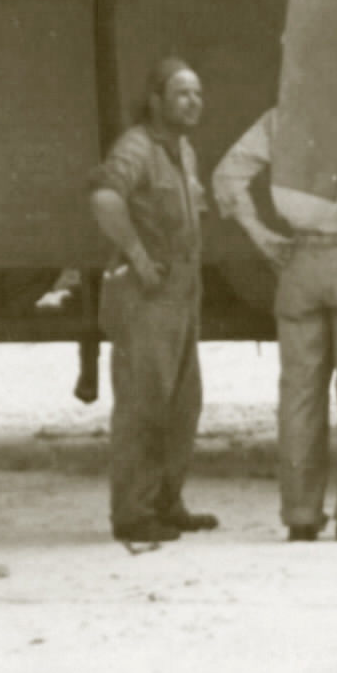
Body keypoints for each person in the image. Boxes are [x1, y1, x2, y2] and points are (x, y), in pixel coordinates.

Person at [214, 102, 337, 544]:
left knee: (299, 392)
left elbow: (227, 175)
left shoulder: (280, 119)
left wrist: (260, 233)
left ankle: (300, 515)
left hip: (299, 260)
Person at [89, 58, 217, 546]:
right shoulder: (136, 147)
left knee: (183, 403)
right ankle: (132, 512)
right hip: (147, 295)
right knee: (144, 404)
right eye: (182, 93)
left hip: (181, 292)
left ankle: (167, 502)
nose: (193, 102)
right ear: (157, 101)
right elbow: (104, 197)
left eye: (198, 93)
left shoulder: (181, 150)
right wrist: (138, 255)